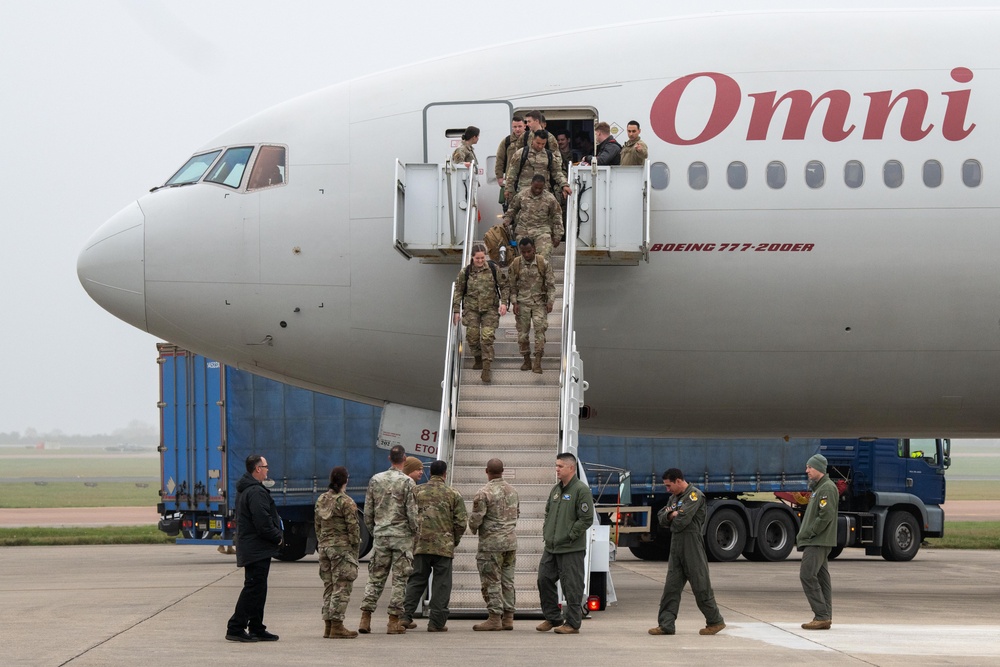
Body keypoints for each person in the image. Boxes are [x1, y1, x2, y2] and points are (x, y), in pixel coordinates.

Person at [648, 468, 726, 636]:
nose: (667, 489)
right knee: (671, 587)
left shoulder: (694, 496)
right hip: (677, 545)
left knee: (700, 584)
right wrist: (671, 515)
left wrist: (672, 517)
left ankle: (715, 621)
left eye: (669, 485)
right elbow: (661, 517)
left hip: (691, 544)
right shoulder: (674, 498)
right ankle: (666, 625)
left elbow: (681, 522)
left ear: (678, 481)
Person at [400, 460, 467, 632]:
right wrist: (454, 540)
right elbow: (461, 522)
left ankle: (405, 616)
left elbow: (407, 515)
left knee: (416, 580)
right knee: (442, 584)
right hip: (444, 546)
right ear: (445, 473)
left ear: (430, 473)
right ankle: (436, 622)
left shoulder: (417, 491)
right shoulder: (453, 493)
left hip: (421, 545)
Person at [359, 445, 419, 635]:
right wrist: (414, 533)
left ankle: (365, 618)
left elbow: (368, 512)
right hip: (402, 538)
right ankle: (393, 621)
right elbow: (412, 513)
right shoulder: (408, 482)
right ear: (405, 459)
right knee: (400, 580)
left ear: (389, 458)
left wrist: (376, 530)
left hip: (381, 536)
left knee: (375, 578)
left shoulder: (376, 480)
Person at [226, 454, 283, 643]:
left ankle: (257, 627)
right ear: (257, 469)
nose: (268, 470)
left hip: (254, 547)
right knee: (253, 588)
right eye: (265, 466)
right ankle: (235, 627)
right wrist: (278, 538)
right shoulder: (255, 492)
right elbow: (263, 522)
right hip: (256, 548)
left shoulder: (247, 489)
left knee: (258, 588)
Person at [536, 453, 594, 635]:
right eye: (556, 465)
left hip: (571, 548)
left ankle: (573, 623)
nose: (557, 469)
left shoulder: (581, 490)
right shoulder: (555, 489)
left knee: (572, 585)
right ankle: (553, 617)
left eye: (560, 466)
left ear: (571, 468)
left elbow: (586, 519)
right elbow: (547, 512)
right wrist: (548, 532)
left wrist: (569, 535)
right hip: (552, 547)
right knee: (544, 579)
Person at [468, 458, 520, 631]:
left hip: (491, 545)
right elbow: (516, 514)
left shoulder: (483, 492)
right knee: (507, 580)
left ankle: (494, 618)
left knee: (491, 581)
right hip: (510, 543)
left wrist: (473, 528)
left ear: (486, 471)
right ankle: (509, 618)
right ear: (503, 471)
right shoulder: (513, 491)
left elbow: (476, 518)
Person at [452, 243, 510, 383]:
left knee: (487, 337)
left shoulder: (492, 268)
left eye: (482, 258)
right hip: (471, 309)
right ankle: (478, 358)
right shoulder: (465, 272)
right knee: (472, 337)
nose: (480, 261)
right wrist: (456, 310)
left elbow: (504, 285)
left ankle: (486, 368)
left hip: (490, 308)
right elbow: (458, 291)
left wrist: (503, 303)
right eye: (477, 258)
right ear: (472, 258)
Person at [315, 466, 360, 639]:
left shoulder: (321, 499)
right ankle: (337, 625)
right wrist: (354, 549)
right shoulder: (346, 501)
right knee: (342, 586)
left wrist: (323, 542)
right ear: (345, 480)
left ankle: (328, 625)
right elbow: (353, 528)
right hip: (341, 549)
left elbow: (317, 524)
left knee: (329, 586)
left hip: (325, 548)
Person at [797, 453, 839, 630]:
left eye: (810, 467)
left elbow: (825, 516)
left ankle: (821, 615)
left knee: (807, 575)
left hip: (817, 540)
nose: (807, 470)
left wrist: (810, 532)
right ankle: (825, 616)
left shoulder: (826, 489)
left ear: (819, 469)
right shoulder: (819, 488)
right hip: (818, 539)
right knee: (822, 578)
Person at [508, 236, 556, 374]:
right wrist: (514, 302)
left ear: (534, 249)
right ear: (520, 251)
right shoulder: (516, 264)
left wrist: (550, 301)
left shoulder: (543, 263)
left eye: (529, 251)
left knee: (540, 331)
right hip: (522, 303)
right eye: (523, 252)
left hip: (539, 303)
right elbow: (511, 286)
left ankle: (538, 362)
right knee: (522, 335)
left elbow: (551, 285)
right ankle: (526, 359)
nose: (527, 254)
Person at [503, 174, 563, 260]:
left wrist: (557, 235)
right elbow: (512, 209)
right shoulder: (522, 195)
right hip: (523, 230)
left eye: (540, 188)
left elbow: (557, 216)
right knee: (523, 257)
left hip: (542, 230)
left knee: (544, 255)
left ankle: (542, 271)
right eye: (535, 187)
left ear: (544, 186)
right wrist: (507, 220)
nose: (537, 190)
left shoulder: (550, 198)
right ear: (531, 184)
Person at [505, 129, 571, 203]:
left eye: (543, 144)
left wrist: (564, 185)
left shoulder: (549, 155)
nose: (540, 146)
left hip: (543, 195)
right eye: (538, 143)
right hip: (524, 194)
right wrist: (508, 190)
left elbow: (557, 172)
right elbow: (512, 173)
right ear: (532, 140)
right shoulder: (521, 154)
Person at [496, 114, 526, 200]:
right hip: (511, 179)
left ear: (524, 126)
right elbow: (500, 159)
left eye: (520, 126)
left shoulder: (530, 140)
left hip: (526, 178)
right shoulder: (507, 141)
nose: (517, 129)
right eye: (515, 126)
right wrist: (499, 176)